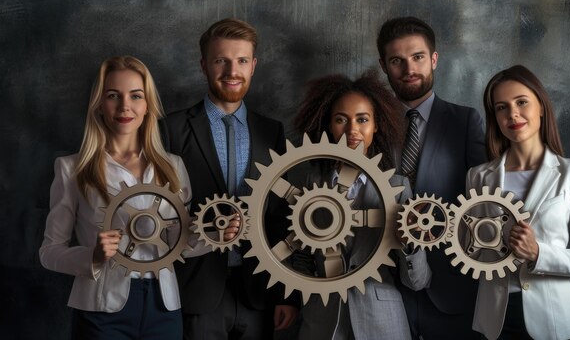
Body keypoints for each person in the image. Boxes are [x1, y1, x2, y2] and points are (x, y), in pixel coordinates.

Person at [160, 18, 299, 339]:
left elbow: (282, 216)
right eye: (221, 60)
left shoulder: (272, 131)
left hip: (259, 290)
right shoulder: (170, 129)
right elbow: (161, 215)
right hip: (194, 290)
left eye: (241, 61)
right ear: (204, 65)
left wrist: (285, 293)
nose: (231, 71)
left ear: (253, 66)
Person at [39, 56, 192, 339]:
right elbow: (49, 253)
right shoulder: (71, 169)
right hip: (101, 310)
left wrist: (217, 233)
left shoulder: (173, 167)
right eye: (113, 96)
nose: (124, 106)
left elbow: (180, 244)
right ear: (99, 104)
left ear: (148, 105)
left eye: (135, 96)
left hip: (164, 306)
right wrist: (93, 256)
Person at [468, 65, 570, 340]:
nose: (512, 114)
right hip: (495, 322)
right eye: (501, 107)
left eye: (521, 102)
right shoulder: (477, 176)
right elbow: (471, 252)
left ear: (541, 107)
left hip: (558, 322)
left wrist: (538, 253)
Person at [294, 70, 431, 340]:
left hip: (382, 322)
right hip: (321, 322)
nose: (352, 130)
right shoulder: (309, 181)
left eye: (362, 119)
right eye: (340, 119)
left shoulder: (398, 186)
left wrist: (409, 243)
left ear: (376, 125)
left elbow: (418, 281)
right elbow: (301, 257)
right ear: (329, 126)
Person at [376, 16, 487, 339]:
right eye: (397, 60)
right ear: (384, 65)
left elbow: (482, 200)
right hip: (387, 286)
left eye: (418, 57)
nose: (409, 68)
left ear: (434, 59)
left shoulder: (466, 121)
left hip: (451, 288)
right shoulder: (369, 126)